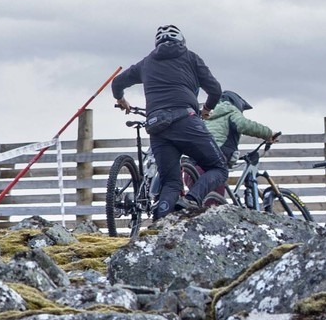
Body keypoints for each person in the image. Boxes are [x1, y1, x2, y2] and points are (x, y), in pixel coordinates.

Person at [111, 25, 228, 221]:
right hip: (186, 121)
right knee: (219, 168)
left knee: (171, 183)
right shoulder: (190, 57)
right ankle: (191, 199)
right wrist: (206, 110)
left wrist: (121, 100)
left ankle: (159, 224)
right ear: (181, 41)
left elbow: (117, 83)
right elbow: (215, 90)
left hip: (157, 126)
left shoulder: (147, 62)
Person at [202, 91, 277, 165]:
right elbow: (244, 125)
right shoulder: (231, 111)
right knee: (221, 172)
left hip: (201, 150)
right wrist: (268, 133)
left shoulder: (208, 115)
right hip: (220, 151)